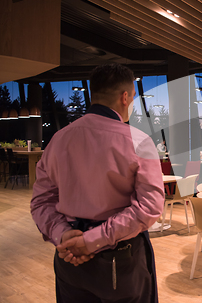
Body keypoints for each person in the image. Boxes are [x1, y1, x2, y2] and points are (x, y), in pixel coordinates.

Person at [30, 64, 165, 302]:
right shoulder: (139, 142)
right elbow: (149, 207)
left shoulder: (58, 140)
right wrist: (92, 241)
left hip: (68, 259)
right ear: (125, 97)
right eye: (133, 97)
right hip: (121, 261)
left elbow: (41, 201)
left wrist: (64, 236)